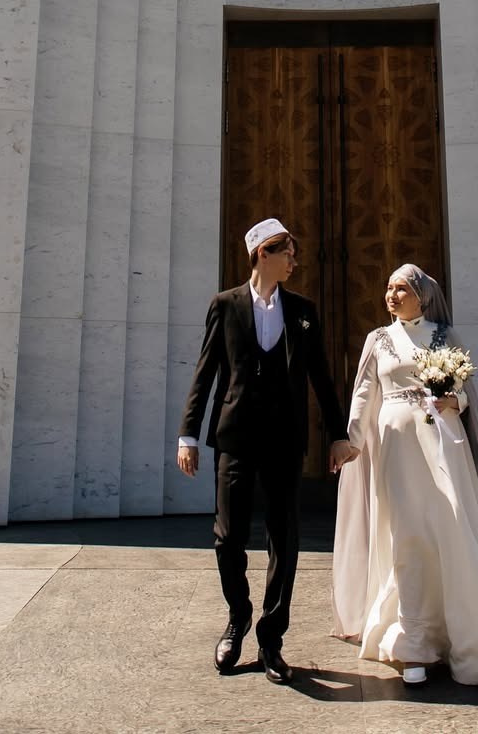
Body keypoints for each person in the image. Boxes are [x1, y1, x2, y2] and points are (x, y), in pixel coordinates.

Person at [178, 217, 356, 684]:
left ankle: (271, 638)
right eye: (288, 253)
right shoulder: (225, 305)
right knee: (228, 535)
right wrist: (188, 435)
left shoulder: (303, 311)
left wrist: (338, 434)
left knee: (284, 537)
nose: (295, 261)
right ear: (263, 254)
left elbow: (320, 376)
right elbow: (205, 373)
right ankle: (237, 619)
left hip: (284, 439)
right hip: (235, 437)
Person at [331, 264, 478, 687]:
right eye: (388, 288)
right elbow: (364, 394)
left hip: (441, 446)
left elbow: (465, 394)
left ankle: (466, 639)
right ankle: (412, 642)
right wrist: (351, 442)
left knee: (451, 531)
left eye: (401, 288)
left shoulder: (445, 336)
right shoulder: (377, 340)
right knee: (407, 535)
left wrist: (455, 401)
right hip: (397, 452)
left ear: (422, 295)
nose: (392, 295)